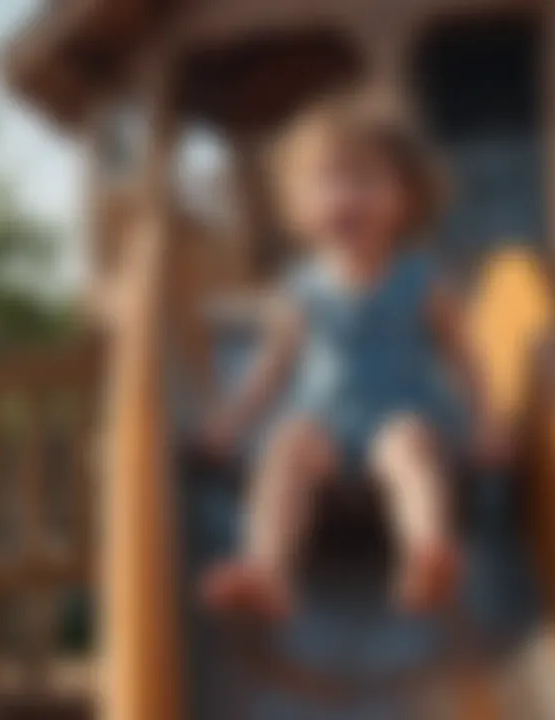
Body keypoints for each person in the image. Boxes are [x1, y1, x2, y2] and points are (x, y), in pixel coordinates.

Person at [197, 99, 510, 620]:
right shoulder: (300, 289)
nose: (345, 196)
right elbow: (271, 370)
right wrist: (228, 425)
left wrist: (487, 421)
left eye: (364, 179)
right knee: (285, 449)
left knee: (410, 445)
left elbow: (465, 359)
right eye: (326, 182)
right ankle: (267, 571)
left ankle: (428, 554)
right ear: (298, 207)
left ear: (406, 197)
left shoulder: (422, 280)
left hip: (402, 414)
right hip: (325, 427)